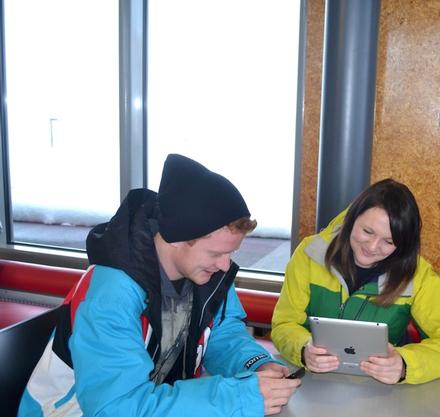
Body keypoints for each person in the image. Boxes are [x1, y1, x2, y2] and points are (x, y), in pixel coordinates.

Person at [18, 154, 300, 417]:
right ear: (175, 238)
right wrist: (237, 398)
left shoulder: (206, 273)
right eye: (216, 254)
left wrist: (255, 365)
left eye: (231, 253)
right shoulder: (110, 295)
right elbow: (114, 408)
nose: (226, 266)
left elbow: (223, 335)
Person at [271, 179, 440, 385]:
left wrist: (404, 365)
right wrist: (304, 349)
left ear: (403, 245)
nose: (372, 246)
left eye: (389, 241)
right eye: (367, 232)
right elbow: (284, 324)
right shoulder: (309, 255)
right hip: (314, 382)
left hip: (381, 388)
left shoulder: (418, 276)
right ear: (351, 219)